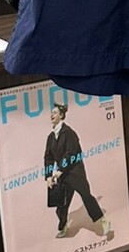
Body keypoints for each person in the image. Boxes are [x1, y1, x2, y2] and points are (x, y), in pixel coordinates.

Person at [44, 99, 112, 240]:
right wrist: (48, 176)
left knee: (86, 196)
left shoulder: (70, 133)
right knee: (62, 204)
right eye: (51, 113)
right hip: (62, 176)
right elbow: (48, 158)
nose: (52, 115)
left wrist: (60, 170)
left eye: (55, 113)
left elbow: (71, 153)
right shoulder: (50, 137)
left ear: (61, 115)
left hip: (75, 172)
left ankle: (103, 221)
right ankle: (63, 226)